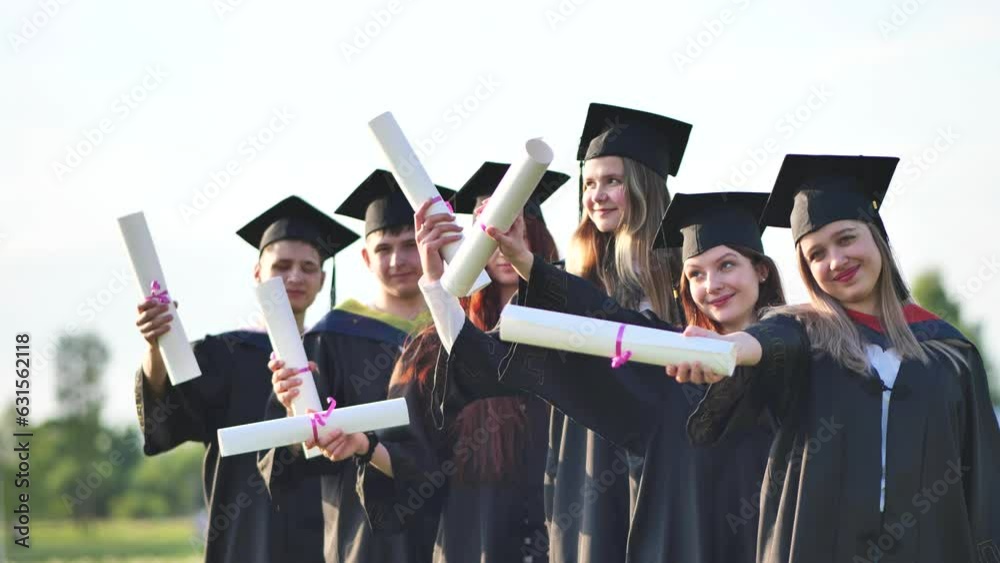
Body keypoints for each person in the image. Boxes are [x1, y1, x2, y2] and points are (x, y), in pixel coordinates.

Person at [667, 154, 1000, 563]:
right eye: (816, 254)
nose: (836, 262)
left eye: (846, 239)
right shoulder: (805, 338)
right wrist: (725, 350)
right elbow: (765, 343)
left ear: (876, 236)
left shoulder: (951, 353)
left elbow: (983, 483)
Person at [474, 192, 784, 562]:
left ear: (761, 269)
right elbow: (607, 318)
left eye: (727, 265)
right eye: (696, 274)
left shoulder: (800, 348)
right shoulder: (674, 355)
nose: (712, 285)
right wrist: (525, 261)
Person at [344, 163, 568, 562]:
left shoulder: (574, 331)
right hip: (474, 539)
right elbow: (415, 459)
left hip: (568, 530)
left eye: (516, 227)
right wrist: (364, 445)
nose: (503, 242)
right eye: (489, 231)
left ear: (538, 236)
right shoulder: (435, 345)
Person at [134, 195, 354, 563]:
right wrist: (156, 346)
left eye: (308, 267)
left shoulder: (340, 354)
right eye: (281, 265)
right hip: (244, 538)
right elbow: (168, 416)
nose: (295, 276)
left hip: (327, 540)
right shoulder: (224, 354)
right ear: (258, 274)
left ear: (322, 279)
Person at [260, 170, 443, 563]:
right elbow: (289, 466)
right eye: (383, 248)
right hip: (367, 538)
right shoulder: (333, 337)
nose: (398, 260)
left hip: (454, 528)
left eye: (410, 245)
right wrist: (294, 409)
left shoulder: (455, 329)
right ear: (365, 257)